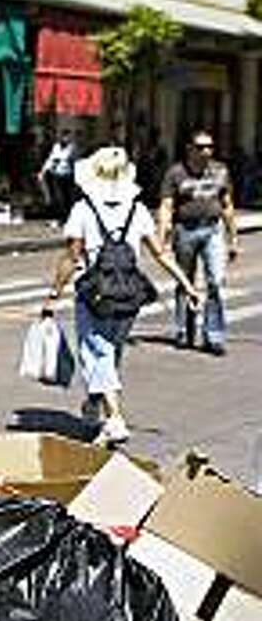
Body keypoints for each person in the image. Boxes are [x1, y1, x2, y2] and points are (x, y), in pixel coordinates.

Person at [42, 146, 201, 446]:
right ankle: (92, 405)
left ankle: (114, 419)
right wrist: (187, 284)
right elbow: (160, 253)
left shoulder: (83, 209)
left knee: (96, 353)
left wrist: (53, 295)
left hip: (94, 295)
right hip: (130, 295)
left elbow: (70, 257)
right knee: (109, 354)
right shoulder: (138, 210)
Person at [157, 129, 239, 354]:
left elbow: (227, 204)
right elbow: (166, 206)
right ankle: (184, 331)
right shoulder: (175, 173)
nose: (206, 151)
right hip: (185, 230)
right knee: (185, 281)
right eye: (201, 147)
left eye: (210, 146)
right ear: (190, 149)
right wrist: (161, 239)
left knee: (216, 282)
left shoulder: (220, 171)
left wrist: (233, 238)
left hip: (213, 229)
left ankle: (214, 336)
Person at [37, 128, 77, 224]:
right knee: (58, 197)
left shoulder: (72, 148)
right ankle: (61, 218)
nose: (65, 139)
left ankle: (68, 218)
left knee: (68, 198)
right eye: (63, 137)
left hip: (68, 176)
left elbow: (70, 159)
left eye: (67, 137)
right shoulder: (56, 147)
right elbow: (50, 159)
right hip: (57, 176)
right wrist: (42, 172)